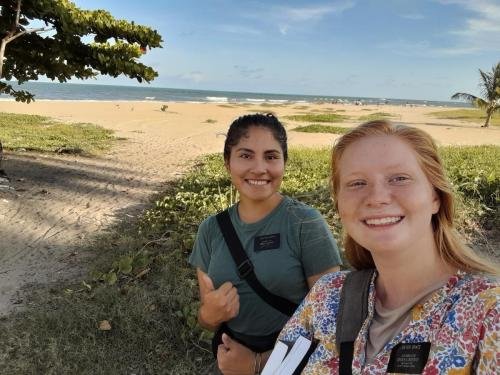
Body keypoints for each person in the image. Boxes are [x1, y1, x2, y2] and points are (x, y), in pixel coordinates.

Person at [277, 120, 499, 373]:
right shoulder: (327, 296)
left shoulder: (487, 312)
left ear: (435, 197)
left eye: (399, 178)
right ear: (338, 203)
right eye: (357, 183)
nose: (377, 197)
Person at [189, 113, 342, 374]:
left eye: (271, 156)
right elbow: (207, 319)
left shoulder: (305, 222)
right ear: (228, 163)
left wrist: (257, 364)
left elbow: (330, 322)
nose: (260, 168)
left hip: (293, 361)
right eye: (246, 155)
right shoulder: (211, 230)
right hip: (231, 360)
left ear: (284, 163)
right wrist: (208, 315)